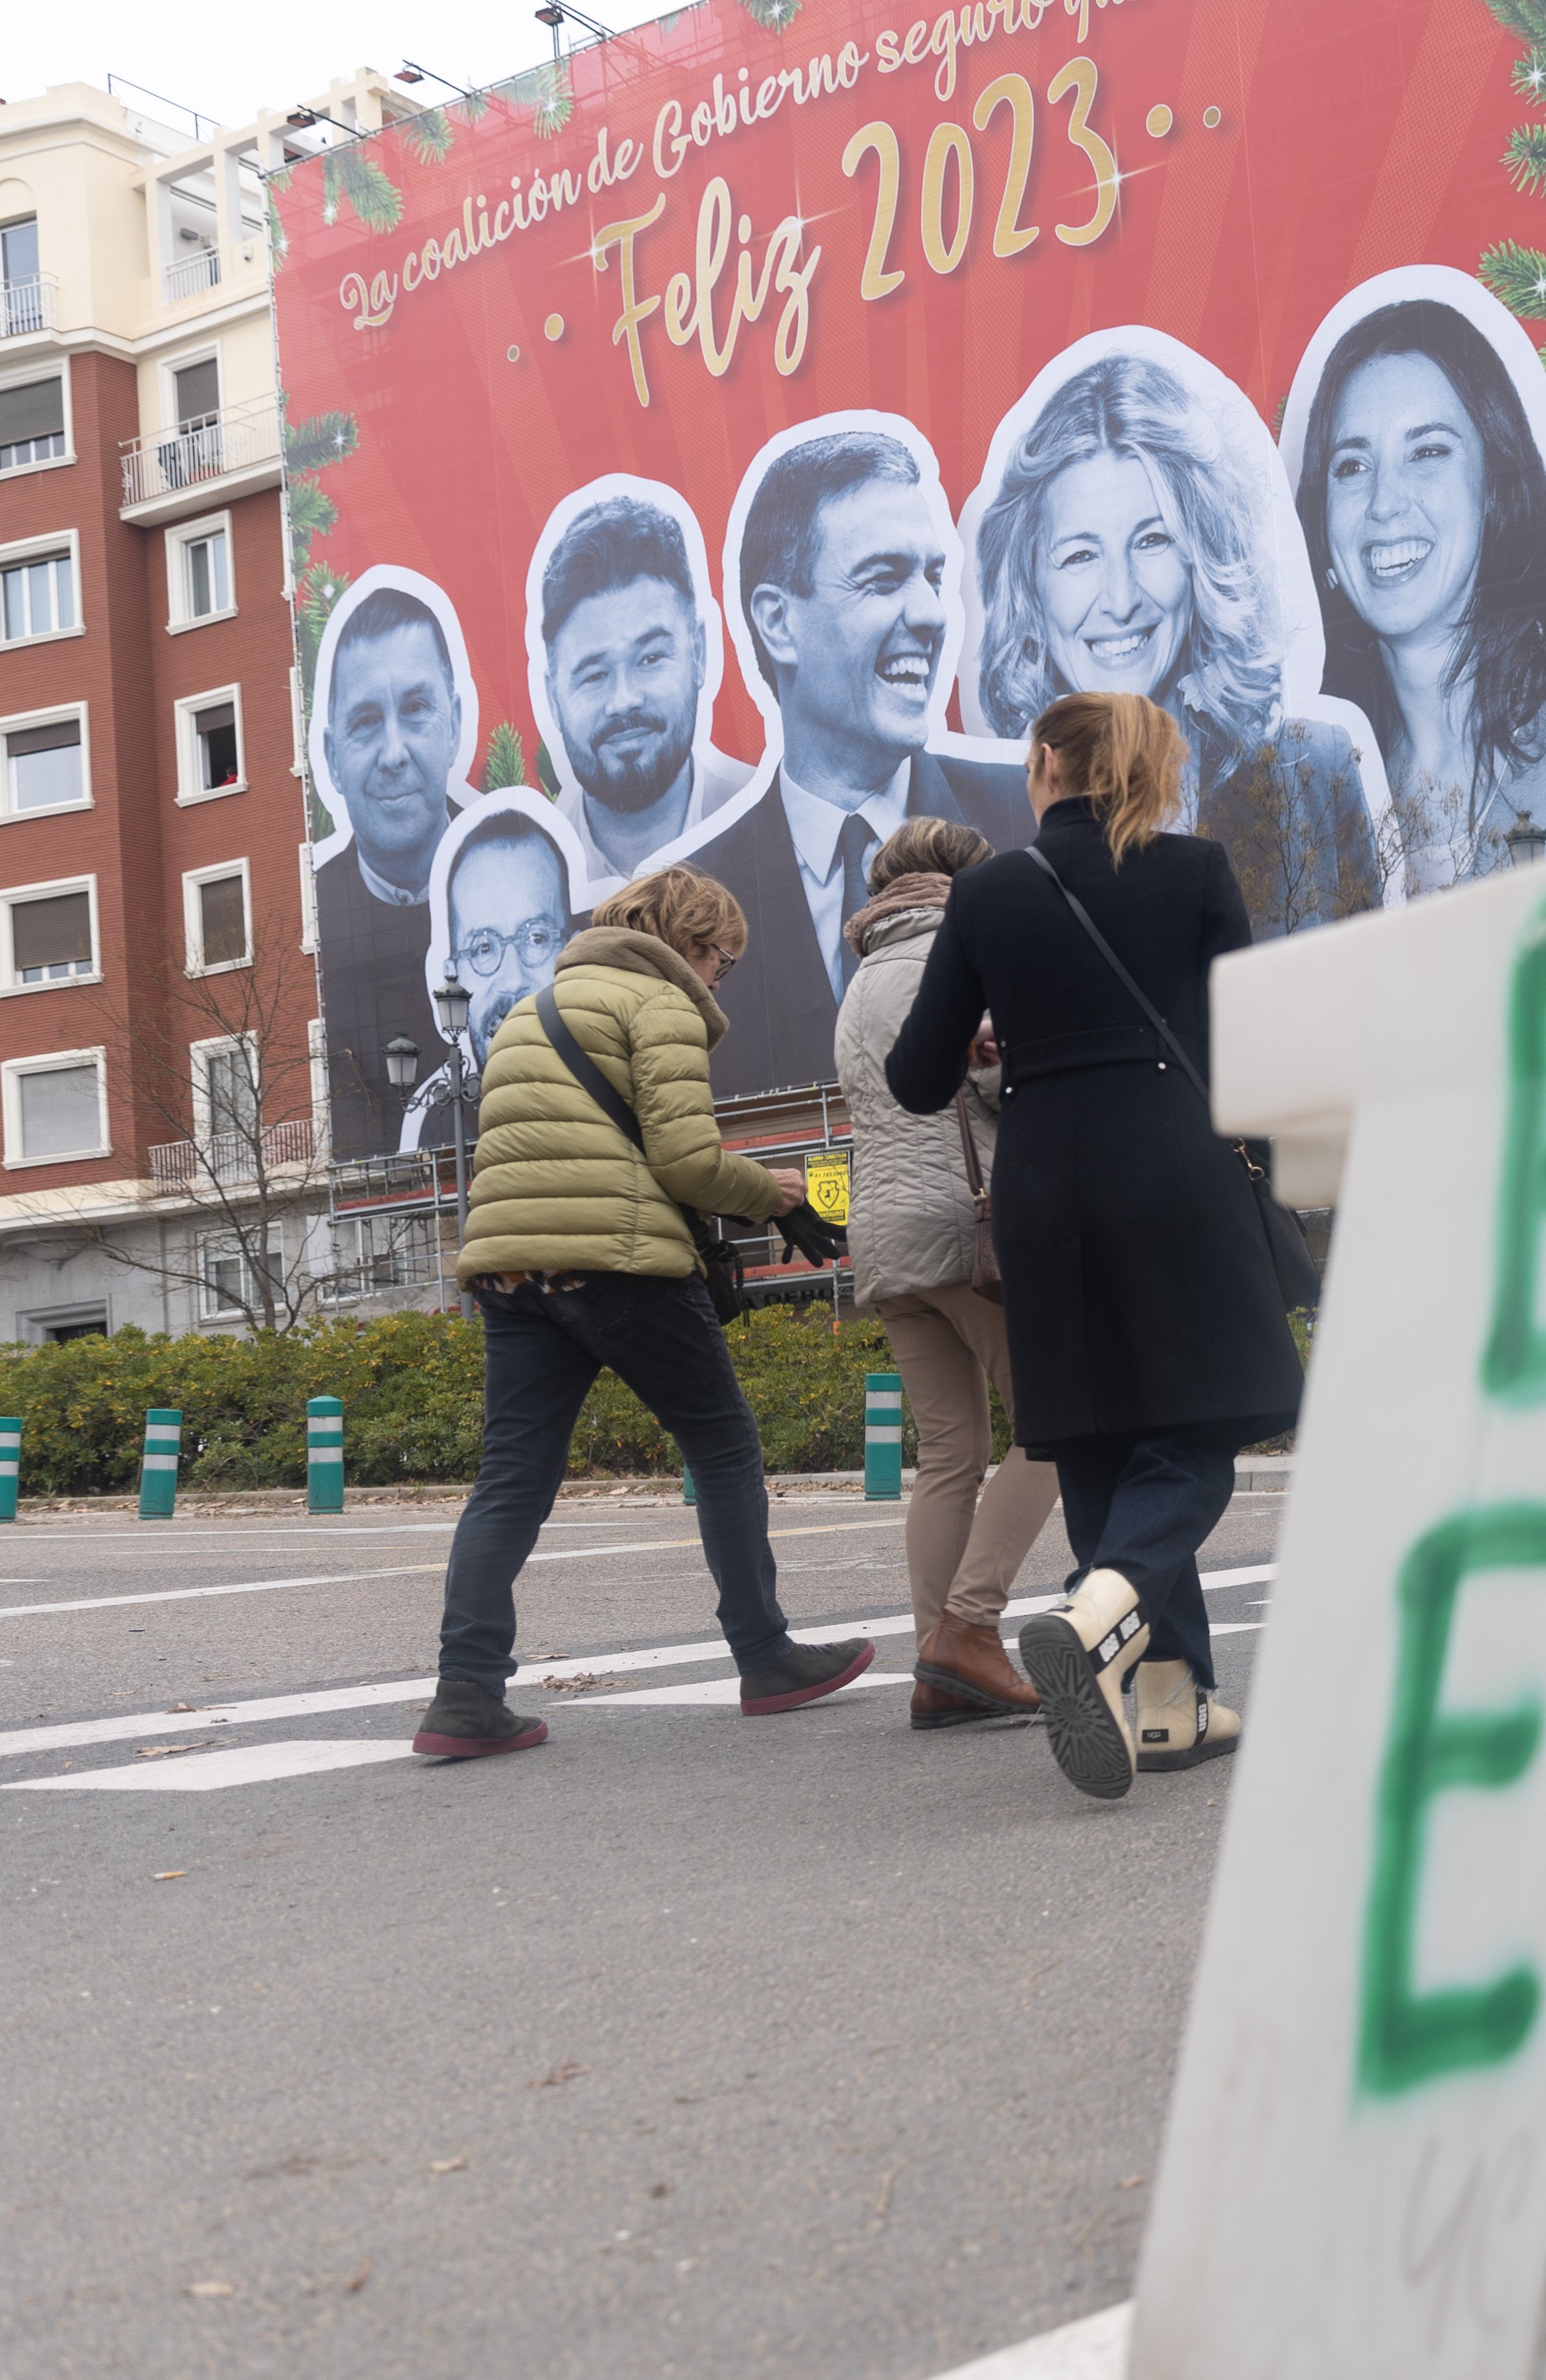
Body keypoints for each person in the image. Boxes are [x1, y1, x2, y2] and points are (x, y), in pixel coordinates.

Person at [882, 691, 1303, 1800]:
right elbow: (1244, 1038)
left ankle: (1169, 1706)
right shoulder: (1197, 870)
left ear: (1045, 769)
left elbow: (916, 1079)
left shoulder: (990, 892)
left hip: (1045, 1185)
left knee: (1103, 1439)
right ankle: (1104, 1598)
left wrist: (1000, 1032)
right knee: (1199, 1426)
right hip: (1174, 1171)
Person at [412, 864, 878, 1757]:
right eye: (722, 961)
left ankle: (465, 1693)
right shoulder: (657, 1002)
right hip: (618, 1264)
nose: (717, 979)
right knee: (722, 1443)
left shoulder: (526, 1014)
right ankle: (765, 1652)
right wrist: (776, 1195)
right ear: (692, 944)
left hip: (513, 1268)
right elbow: (685, 1160)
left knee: (512, 1480)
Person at [970, 346, 1381, 937]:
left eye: (1152, 540)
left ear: (1203, 557)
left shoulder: (1315, 773)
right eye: (1080, 555)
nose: (1120, 598)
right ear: (1028, 586)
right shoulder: (989, 827)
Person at [691, 422, 1032, 1093]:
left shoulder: (1030, 825)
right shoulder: (697, 899)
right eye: (883, 579)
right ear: (778, 621)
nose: (932, 614)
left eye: (933, 576)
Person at [833, 815, 1059, 1731]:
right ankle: (968, 1629)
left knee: (948, 1457)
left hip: (884, 1238)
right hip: (969, 1229)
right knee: (1054, 1428)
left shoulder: (858, 981)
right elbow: (1003, 1080)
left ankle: (937, 1667)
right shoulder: (964, 954)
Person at [1293, 298, 1546, 893]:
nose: (1385, 503)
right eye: (1352, 466)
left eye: (1428, 452)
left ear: (1496, 486)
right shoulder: (1320, 787)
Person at [311, 579, 472, 1154]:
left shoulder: (517, 879)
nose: (394, 753)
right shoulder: (314, 912)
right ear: (331, 757)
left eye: (416, 708)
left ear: (453, 722)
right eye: (365, 722)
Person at [534, 488, 758, 880]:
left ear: (700, 653)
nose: (624, 700)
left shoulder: (777, 831)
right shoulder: (531, 882)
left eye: (651, 659)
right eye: (594, 674)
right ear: (554, 697)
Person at [398, 799, 576, 1152]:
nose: (513, 980)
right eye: (484, 947)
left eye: (536, 938)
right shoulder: (435, 1127)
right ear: (454, 974)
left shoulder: (622, 1082)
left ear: (571, 950)